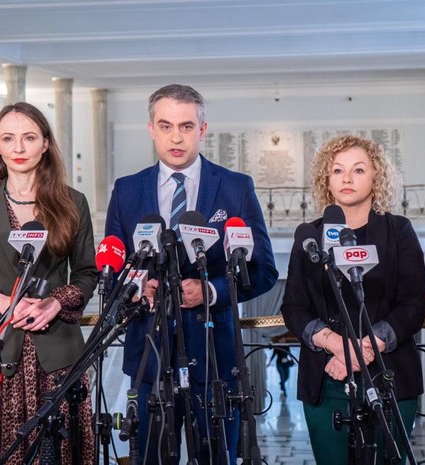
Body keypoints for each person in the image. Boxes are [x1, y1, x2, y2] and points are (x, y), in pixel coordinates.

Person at [105, 84, 278, 464]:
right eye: (165, 126)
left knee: (215, 457)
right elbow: (114, 268)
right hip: (149, 358)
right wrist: (138, 287)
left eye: (186, 126)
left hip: (214, 358)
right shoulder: (127, 190)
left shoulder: (235, 187)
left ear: (202, 129)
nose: (176, 137)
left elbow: (264, 270)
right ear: (151, 129)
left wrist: (211, 291)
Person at [0, 102, 98, 464]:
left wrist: (55, 302)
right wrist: (1, 301)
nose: (18, 148)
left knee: (59, 453)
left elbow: (87, 272)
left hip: (57, 352)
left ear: (45, 143)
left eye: (29, 138)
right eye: (8, 138)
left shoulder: (72, 201)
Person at [280, 135, 425, 464]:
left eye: (358, 170)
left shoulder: (399, 231)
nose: (347, 178)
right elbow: (293, 307)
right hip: (326, 376)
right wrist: (335, 345)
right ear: (326, 179)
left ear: (377, 176)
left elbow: (413, 305)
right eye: (338, 170)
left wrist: (364, 349)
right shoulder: (308, 235)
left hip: (389, 377)